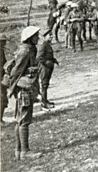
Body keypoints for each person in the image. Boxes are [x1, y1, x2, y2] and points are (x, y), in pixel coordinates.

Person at [7, 26, 42, 160]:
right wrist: (12, 89)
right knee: (24, 121)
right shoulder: (26, 51)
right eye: (35, 36)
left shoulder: (28, 49)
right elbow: (16, 72)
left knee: (20, 121)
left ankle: (19, 151)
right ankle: (25, 151)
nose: (38, 38)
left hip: (25, 88)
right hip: (24, 89)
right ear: (29, 38)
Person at [36, 29, 58, 110]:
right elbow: (39, 58)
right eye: (50, 35)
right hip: (44, 68)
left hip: (48, 67)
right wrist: (46, 62)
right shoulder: (43, 45)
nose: (52, 36)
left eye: (52, 35)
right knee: (44, 85)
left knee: (46, 84)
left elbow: (48, 55)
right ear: (45, 36)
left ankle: (45, 100)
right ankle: (44, 103)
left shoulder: (47, 44)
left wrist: (54, 60)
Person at [0, 34, 8, 125]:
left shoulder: (2, 51)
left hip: (2, 77)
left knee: (3, 98)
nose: (4, 43)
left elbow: (4, 63)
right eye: (3, 41)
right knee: (2, 98)